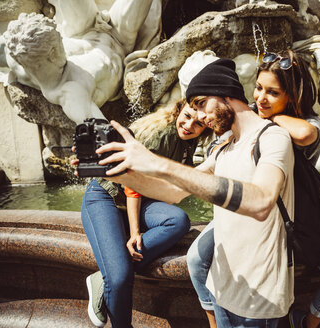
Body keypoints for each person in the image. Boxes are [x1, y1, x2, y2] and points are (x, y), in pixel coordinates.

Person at [96, 58, 296, 328]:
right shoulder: (225, 147)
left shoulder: (272, 137)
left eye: (201, 104)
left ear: (224, 93)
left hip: (258, 301)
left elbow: (260, 201)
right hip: (221, 288)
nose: (200, 117)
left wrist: (156, 163)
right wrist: (120, 172)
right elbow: (174, 192)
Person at [188, 49, 320, 328]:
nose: (260, 98)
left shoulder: (308, 121)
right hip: (251, 211)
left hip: (298, 216)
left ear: (291, 96)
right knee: (195, 259)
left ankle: (305, 323)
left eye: (273, 93)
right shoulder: (249, 118)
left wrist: (264, 119)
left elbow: (303, 134)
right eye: (257, 88)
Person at [79, 100, 210, 328]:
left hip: (142, 201)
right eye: (187, 116)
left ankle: (102, 276)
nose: (189, 125)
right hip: (105, 197)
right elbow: (132, 186)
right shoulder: (161, 135)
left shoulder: (187, 140)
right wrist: (135, 232)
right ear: (179, 110)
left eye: (198, 123)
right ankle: (113, 281)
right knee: (120, 278)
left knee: (178, 220)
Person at [0, 0, 160, 123]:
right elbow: (100, 131)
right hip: (121, 38)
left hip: (82, 31)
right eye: (58, 44)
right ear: (52, 53)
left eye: (58, 38)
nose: (60, 44)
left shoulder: (20, 54)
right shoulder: (70, 90)